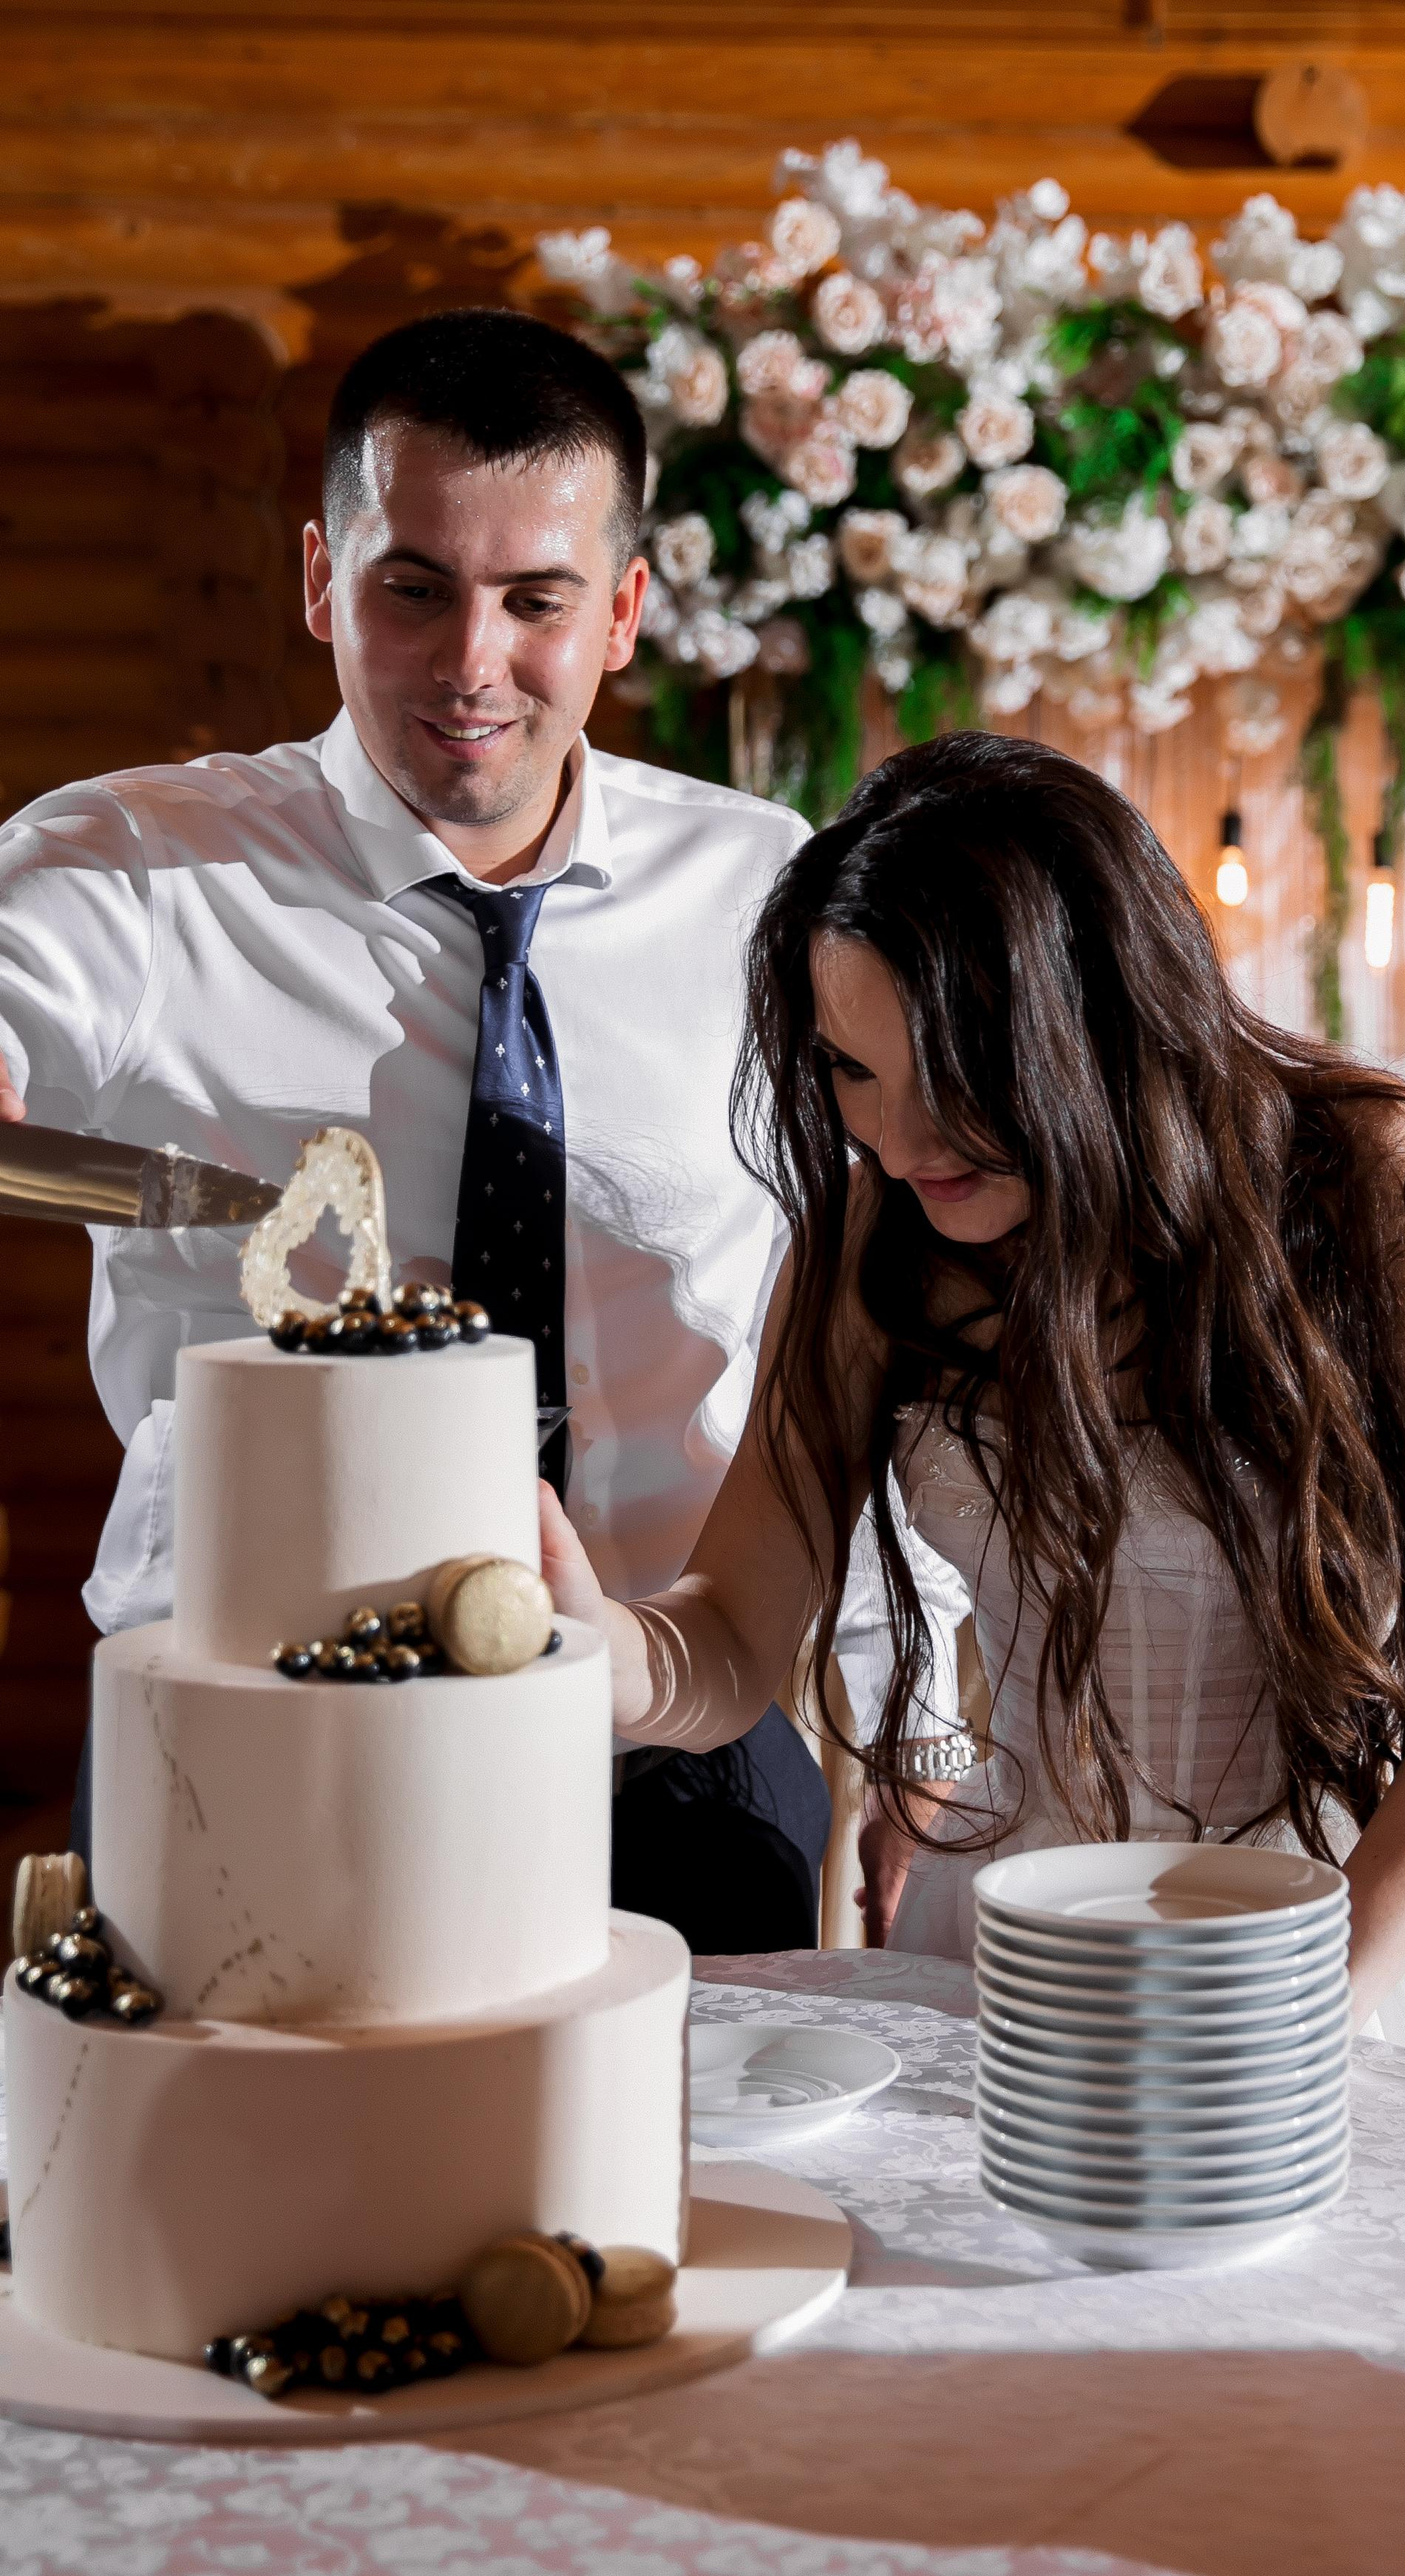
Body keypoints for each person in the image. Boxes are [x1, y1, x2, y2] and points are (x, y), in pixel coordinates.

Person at [539, 727, 1405, 2316]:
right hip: (1018, 1957)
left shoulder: (1370, 1182)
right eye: (849, 1073)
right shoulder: (878, 1247)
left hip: (1365, 1918)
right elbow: (731, 1636)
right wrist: (590, 1651)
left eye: (946, 1081)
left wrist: (1308, 2003)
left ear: (1094, 1014)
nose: (889, 1141)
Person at [0, 306, 966, 1953]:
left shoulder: (766, 890)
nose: (472, 665)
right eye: (414, 589)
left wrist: (916, 1699)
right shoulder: (128, 875)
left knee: (693, 2205)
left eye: (537, 601)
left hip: (667, 1712)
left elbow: (864, 1297)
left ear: (624, 614)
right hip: (252, 1730)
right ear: (324, 580)